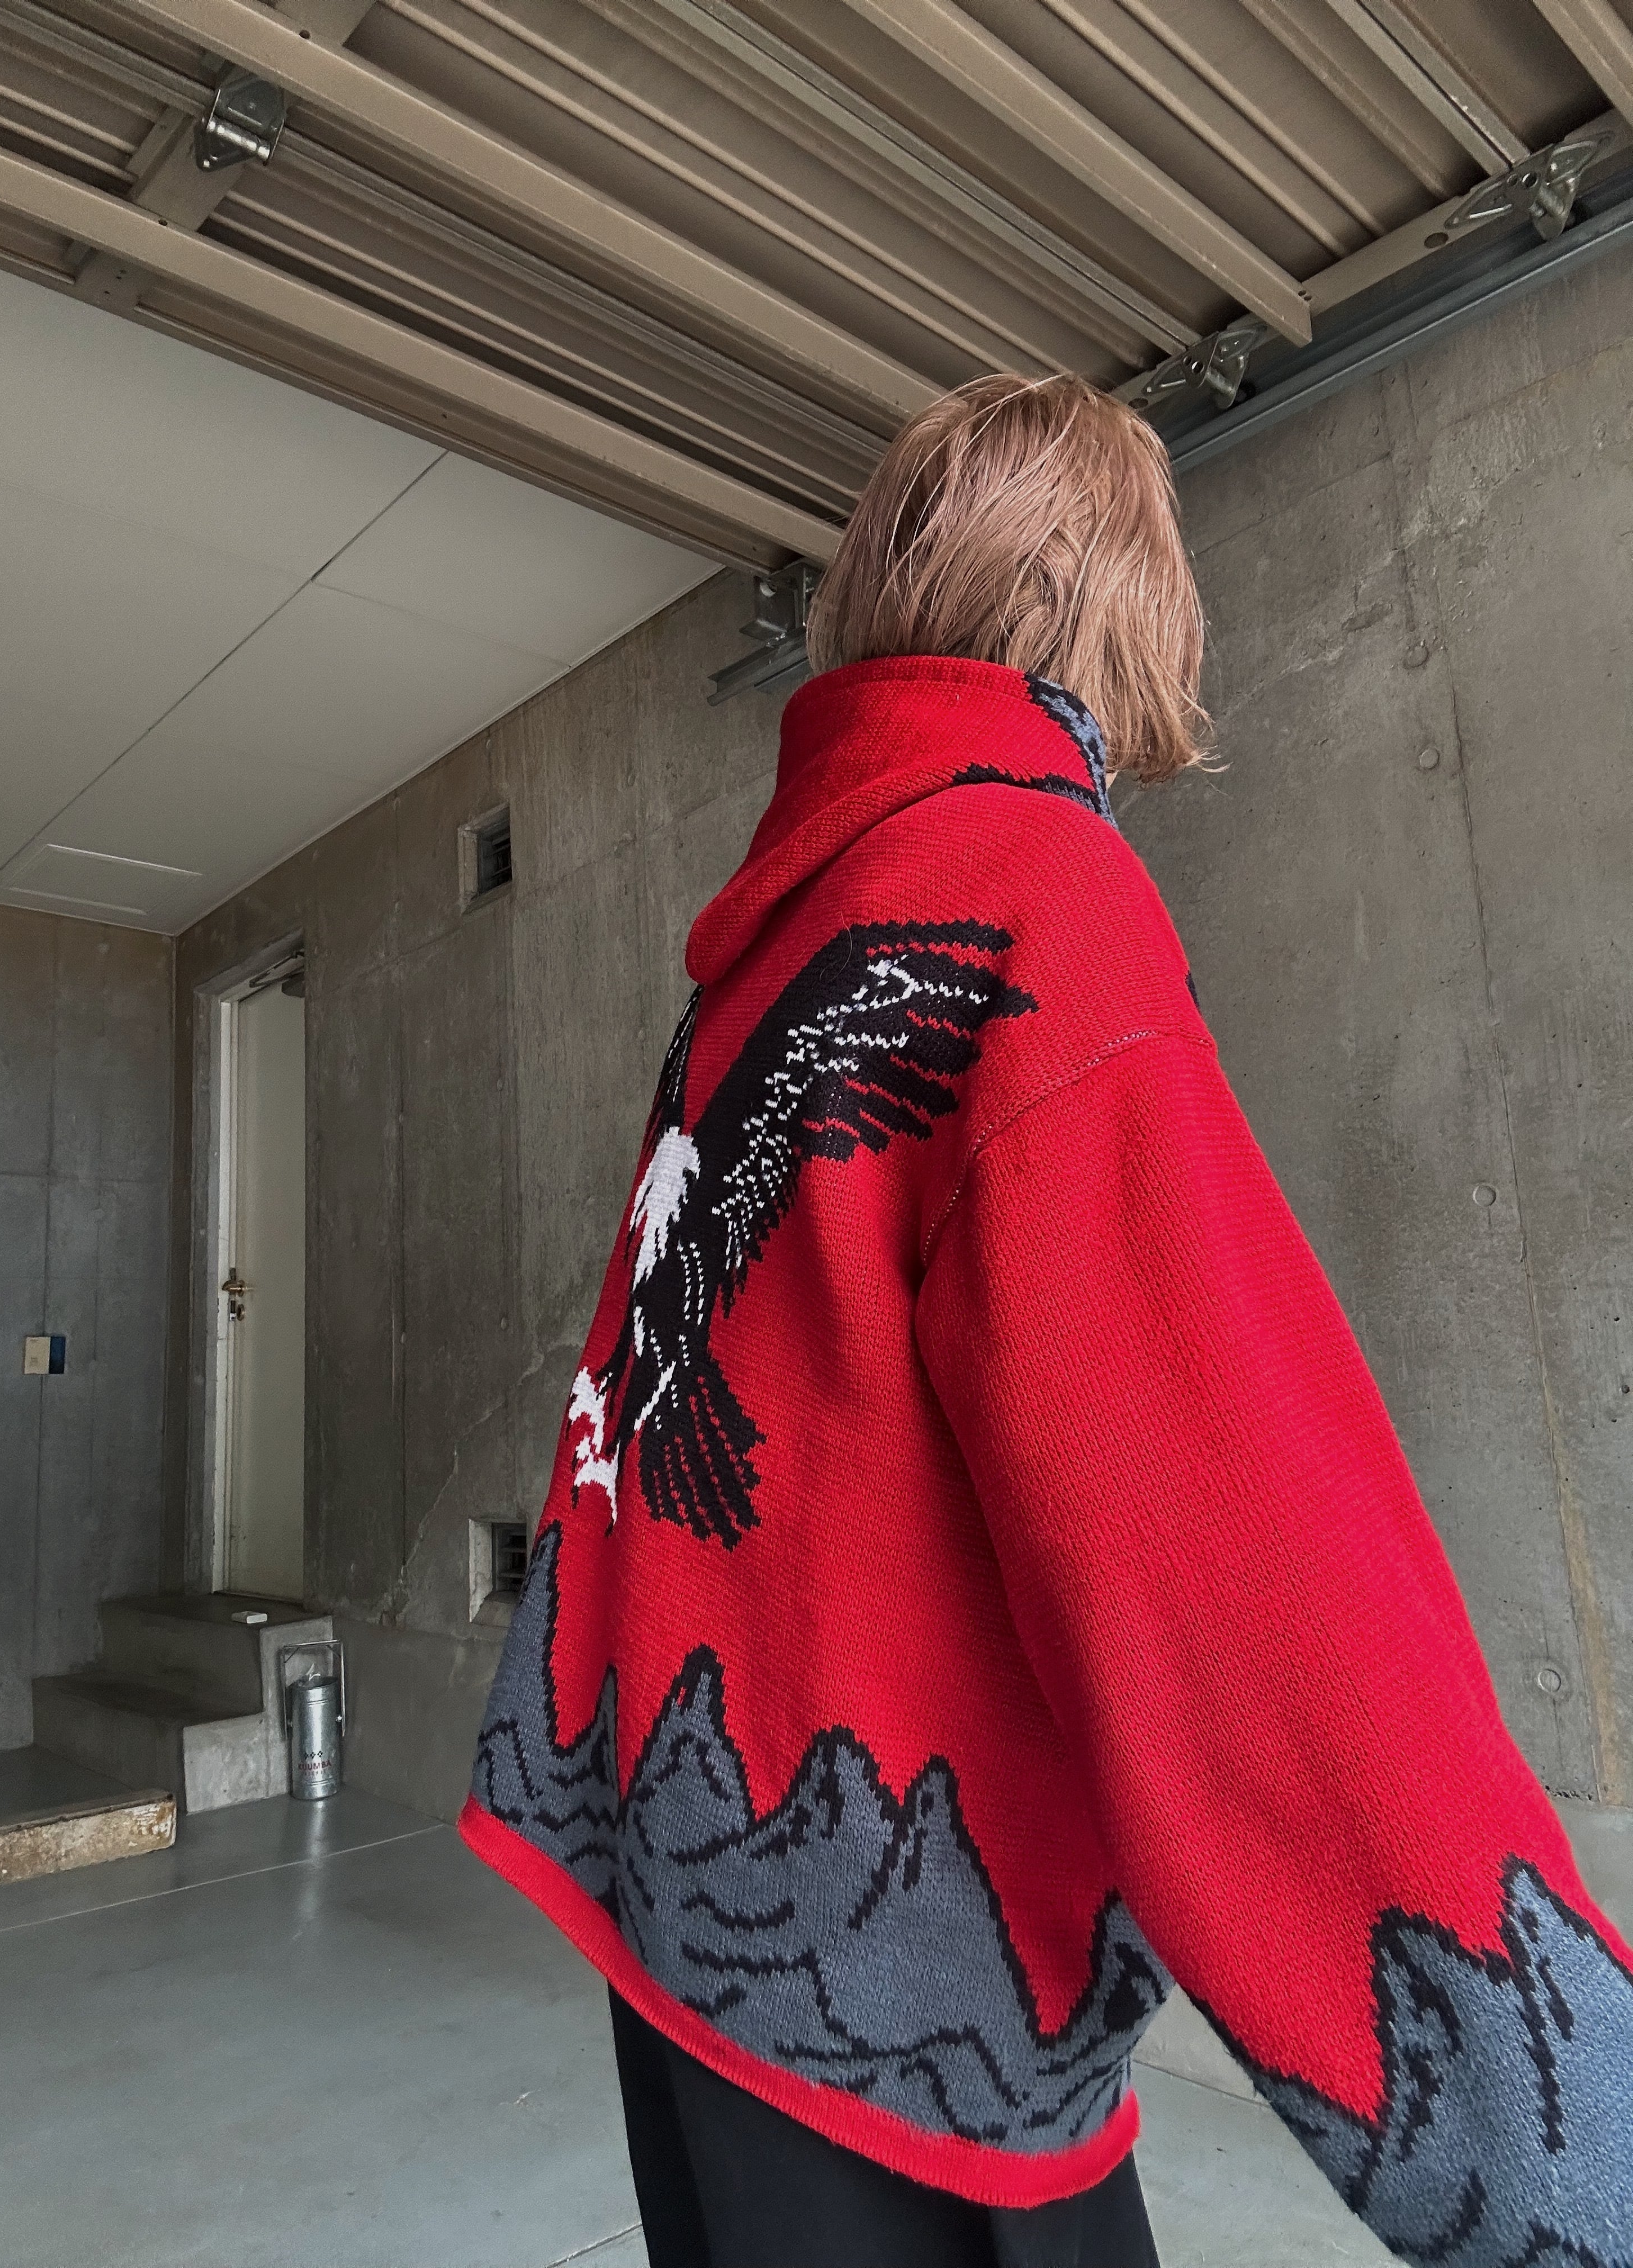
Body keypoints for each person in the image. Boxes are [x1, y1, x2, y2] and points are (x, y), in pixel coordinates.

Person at [461, 374, 1633, 2268]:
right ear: (1121, 603)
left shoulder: (757, 958)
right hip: (897, 1987)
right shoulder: (1030, 894)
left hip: (682, 1913)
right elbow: (1228, 1542)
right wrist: (1567, 2128)